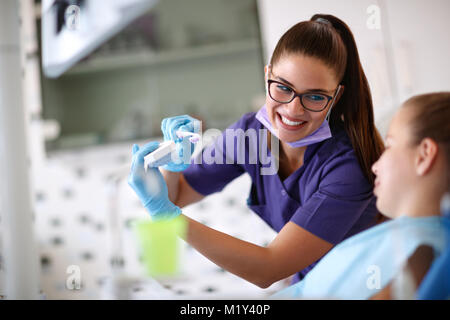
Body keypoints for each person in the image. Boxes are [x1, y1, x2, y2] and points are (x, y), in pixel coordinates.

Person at [128, 14, 385, 288]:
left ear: (336, 97)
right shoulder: (250, 136)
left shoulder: (348, 168)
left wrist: (169, 218)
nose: (293, 110)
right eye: (284, 88)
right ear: (267, 76)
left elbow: (268, 268)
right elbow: (175, 195)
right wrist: (173, 163)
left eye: (315, 96)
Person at [272, 92, 450, 299]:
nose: (375, 166)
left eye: (389, 145)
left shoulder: (422, 251)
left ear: (424, 155)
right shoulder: (411, 237)